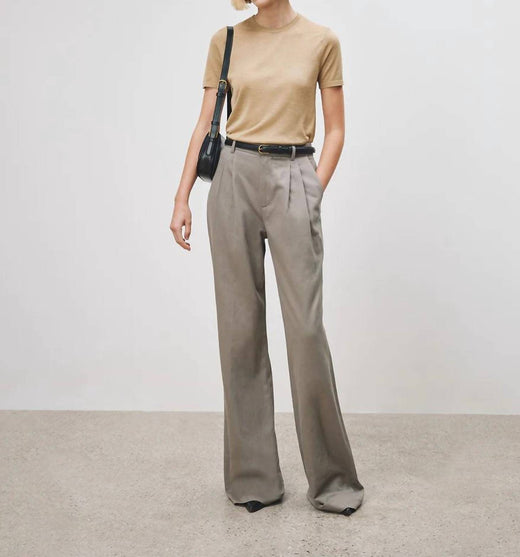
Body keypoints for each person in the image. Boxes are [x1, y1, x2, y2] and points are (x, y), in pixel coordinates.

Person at [170, 0, 364, 516]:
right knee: (240, 331)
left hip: (294, 173)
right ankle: (254, 477)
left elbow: (336, 129)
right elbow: (204, 122)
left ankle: (333, 481)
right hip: (232, 176)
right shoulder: (226, 40)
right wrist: (182, 197)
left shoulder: (322, 40)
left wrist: (312, 190)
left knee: (306, 333)